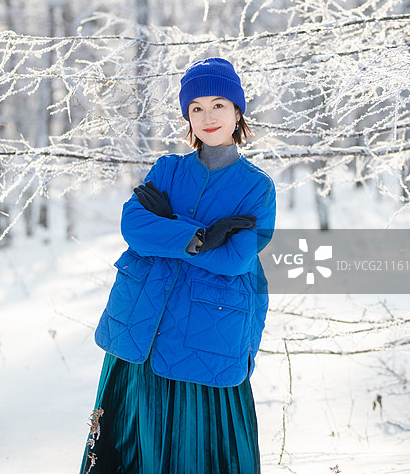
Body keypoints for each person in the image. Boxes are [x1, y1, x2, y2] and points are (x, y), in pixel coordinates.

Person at [79, 57, 276, 474]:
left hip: (207, 329)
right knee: (133, 444)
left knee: (196, 448)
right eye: (196, 108)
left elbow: (236, 258)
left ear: (237, 111)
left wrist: (167, 228)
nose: (208, 117)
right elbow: (133, 226)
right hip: (142, 325)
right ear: (187, 116)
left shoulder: (256, 186)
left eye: (219, 105)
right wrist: (198, 237)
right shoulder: (168, 169)